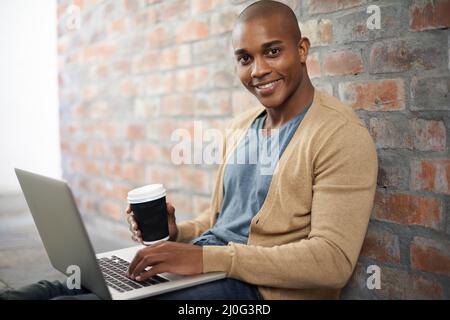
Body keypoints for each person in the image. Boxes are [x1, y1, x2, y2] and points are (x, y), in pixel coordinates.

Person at [0, 0, 377, 300]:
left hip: (257, 292)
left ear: (302, 49)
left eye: (272, 51)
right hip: (210, 265)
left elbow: (332, 262)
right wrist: (178, 233)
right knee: (64, 284)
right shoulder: (241, 128)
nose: (258, 70)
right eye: (245, 58)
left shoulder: (339, 136)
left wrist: (204, 258)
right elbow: (221, 224)